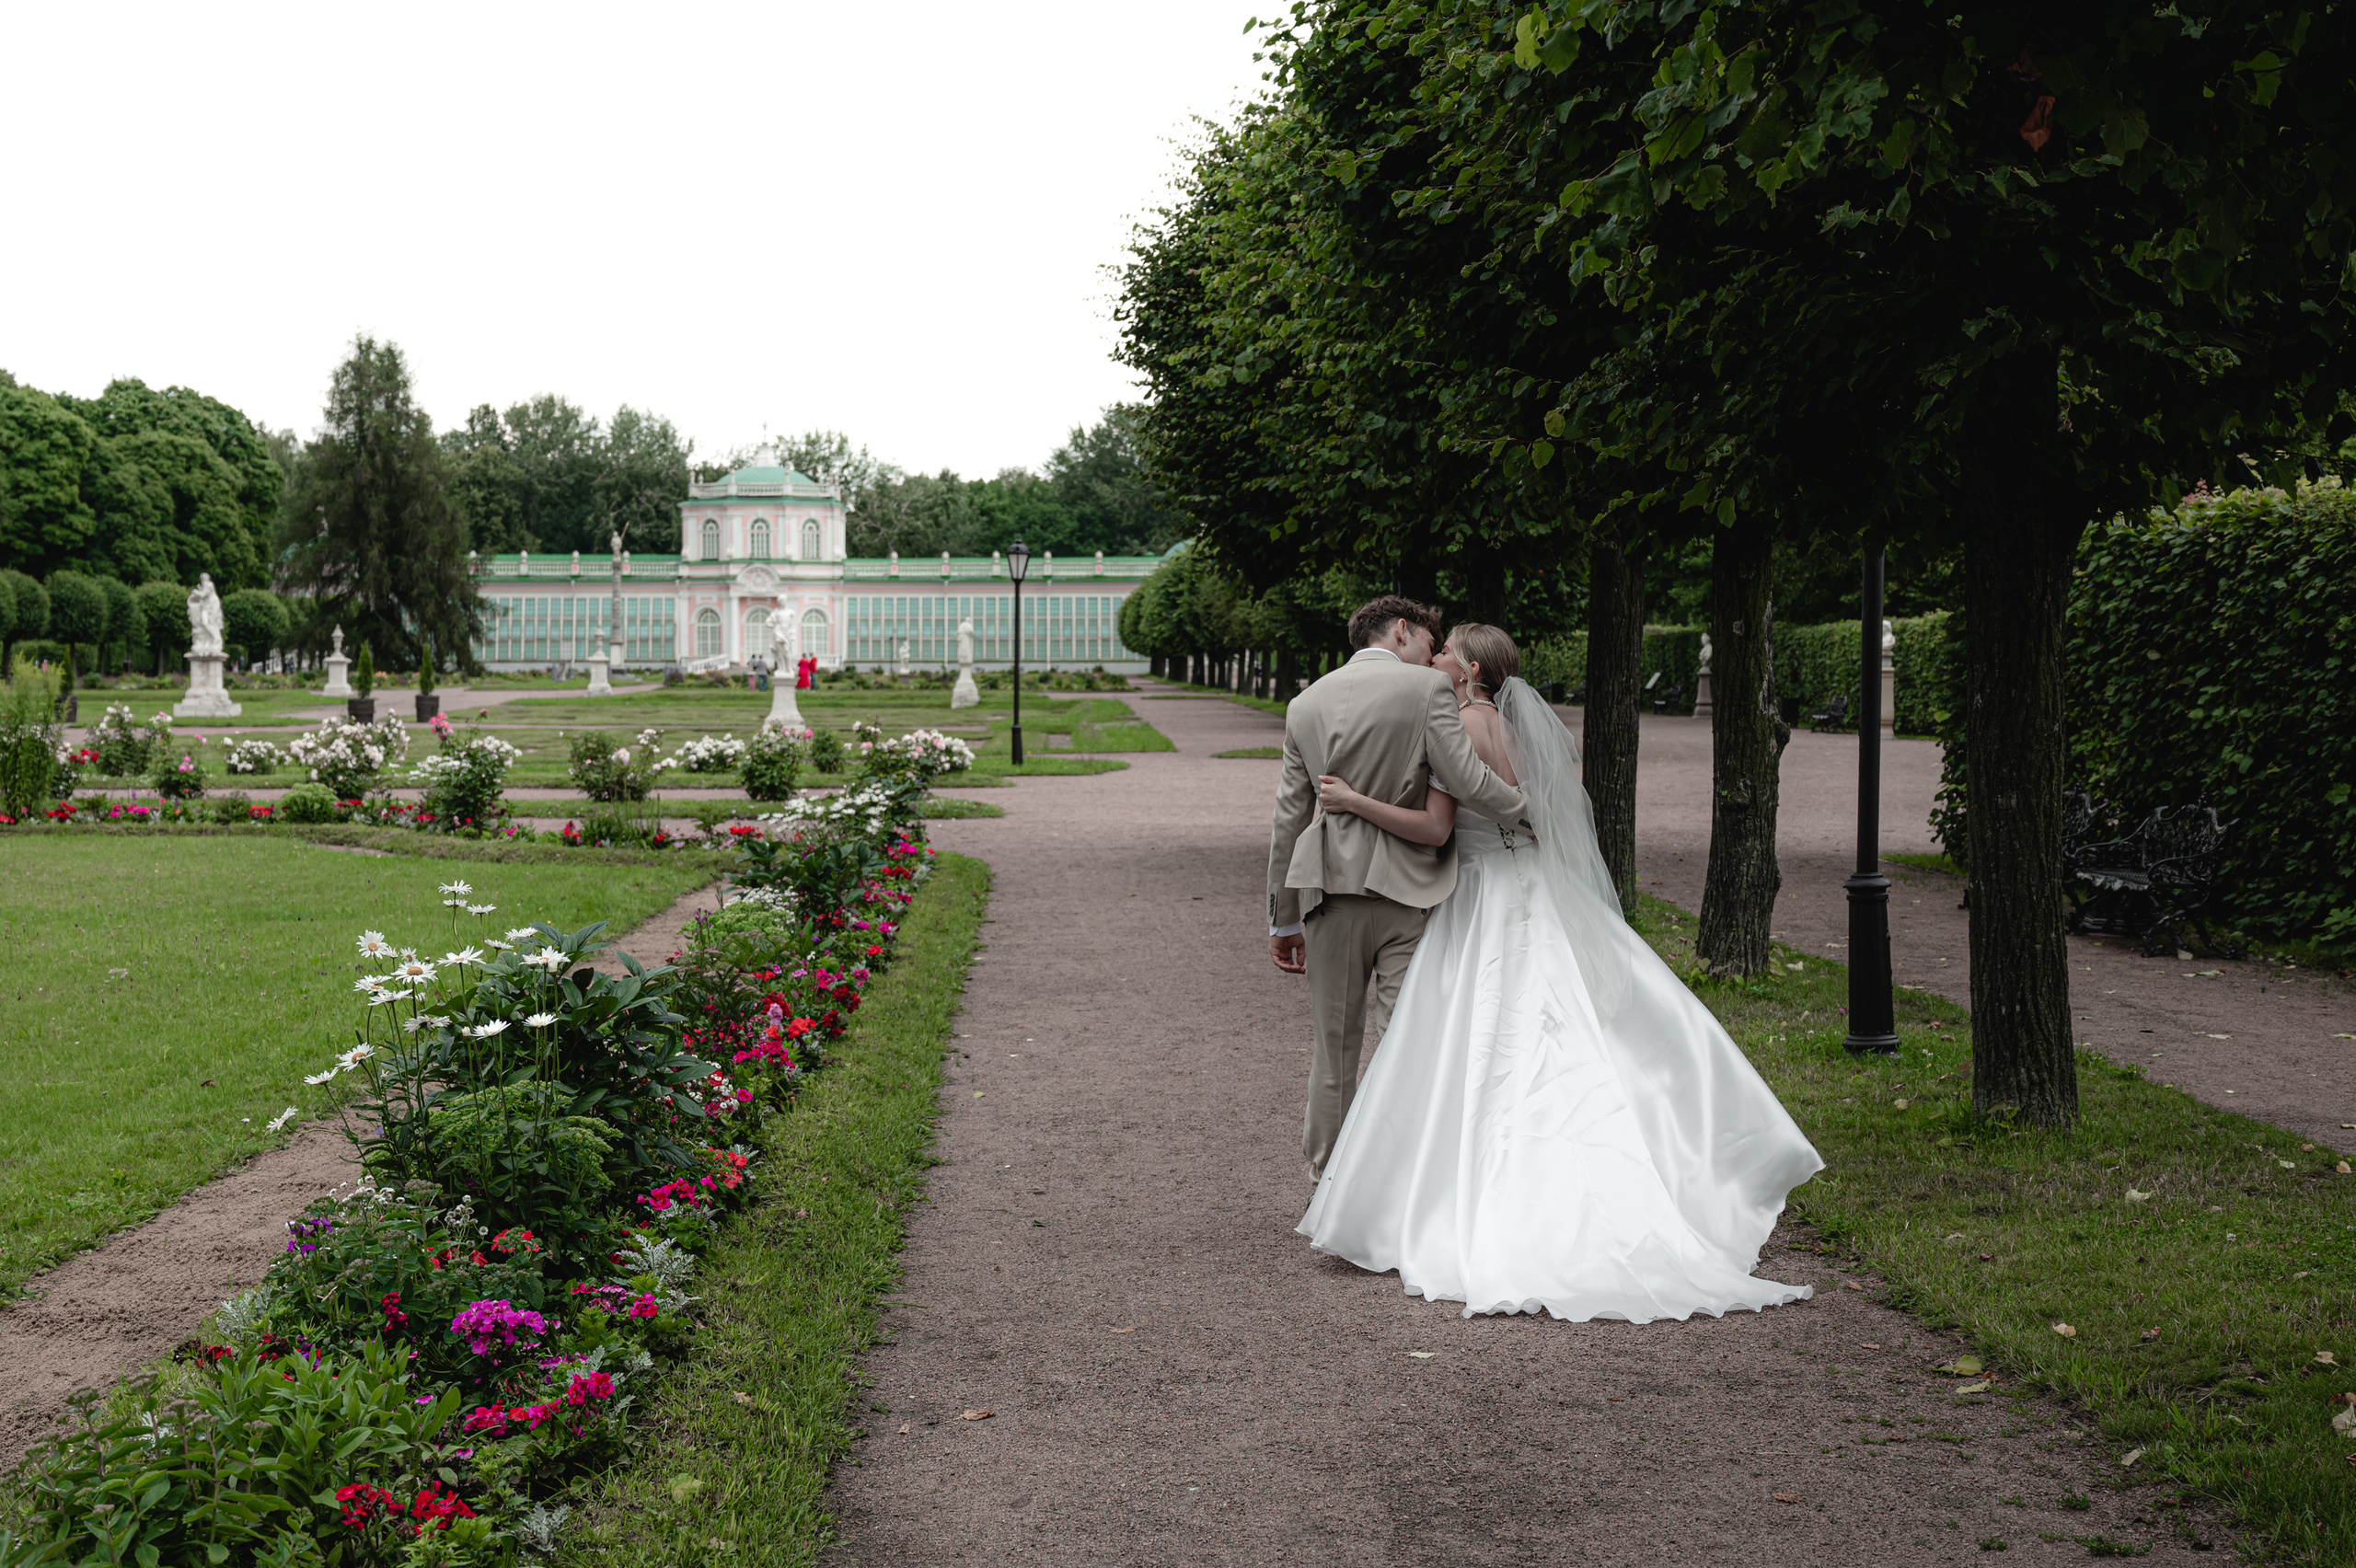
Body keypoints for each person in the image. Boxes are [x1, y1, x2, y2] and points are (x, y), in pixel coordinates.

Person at [1294, 621, 1821, 1322]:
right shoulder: (1525, 732)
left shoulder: (1456, 723)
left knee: (1471, 1041)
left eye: (1449, 649)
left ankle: (1431, 1196)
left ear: (1473, 671)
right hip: (1536, 885)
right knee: (1567, 1030)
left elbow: (1438, 829)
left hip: (1480, 894)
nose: (1439, 657)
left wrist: (1352, 803)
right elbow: (1548, 811)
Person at [1266, 596, 1529, 1181]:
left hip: (1327, 895)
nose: (1432, 657)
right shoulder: (1427, 692)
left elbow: (1288, 819)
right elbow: (1465, 779)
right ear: (1403, 631)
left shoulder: (1304, 704)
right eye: (1429, 645)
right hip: (1406, 891)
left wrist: (1282, 919)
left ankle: (1327, 1181)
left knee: (1333, 1049)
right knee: (1403, 1040)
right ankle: (1395, 1186)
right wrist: (1530, 812)